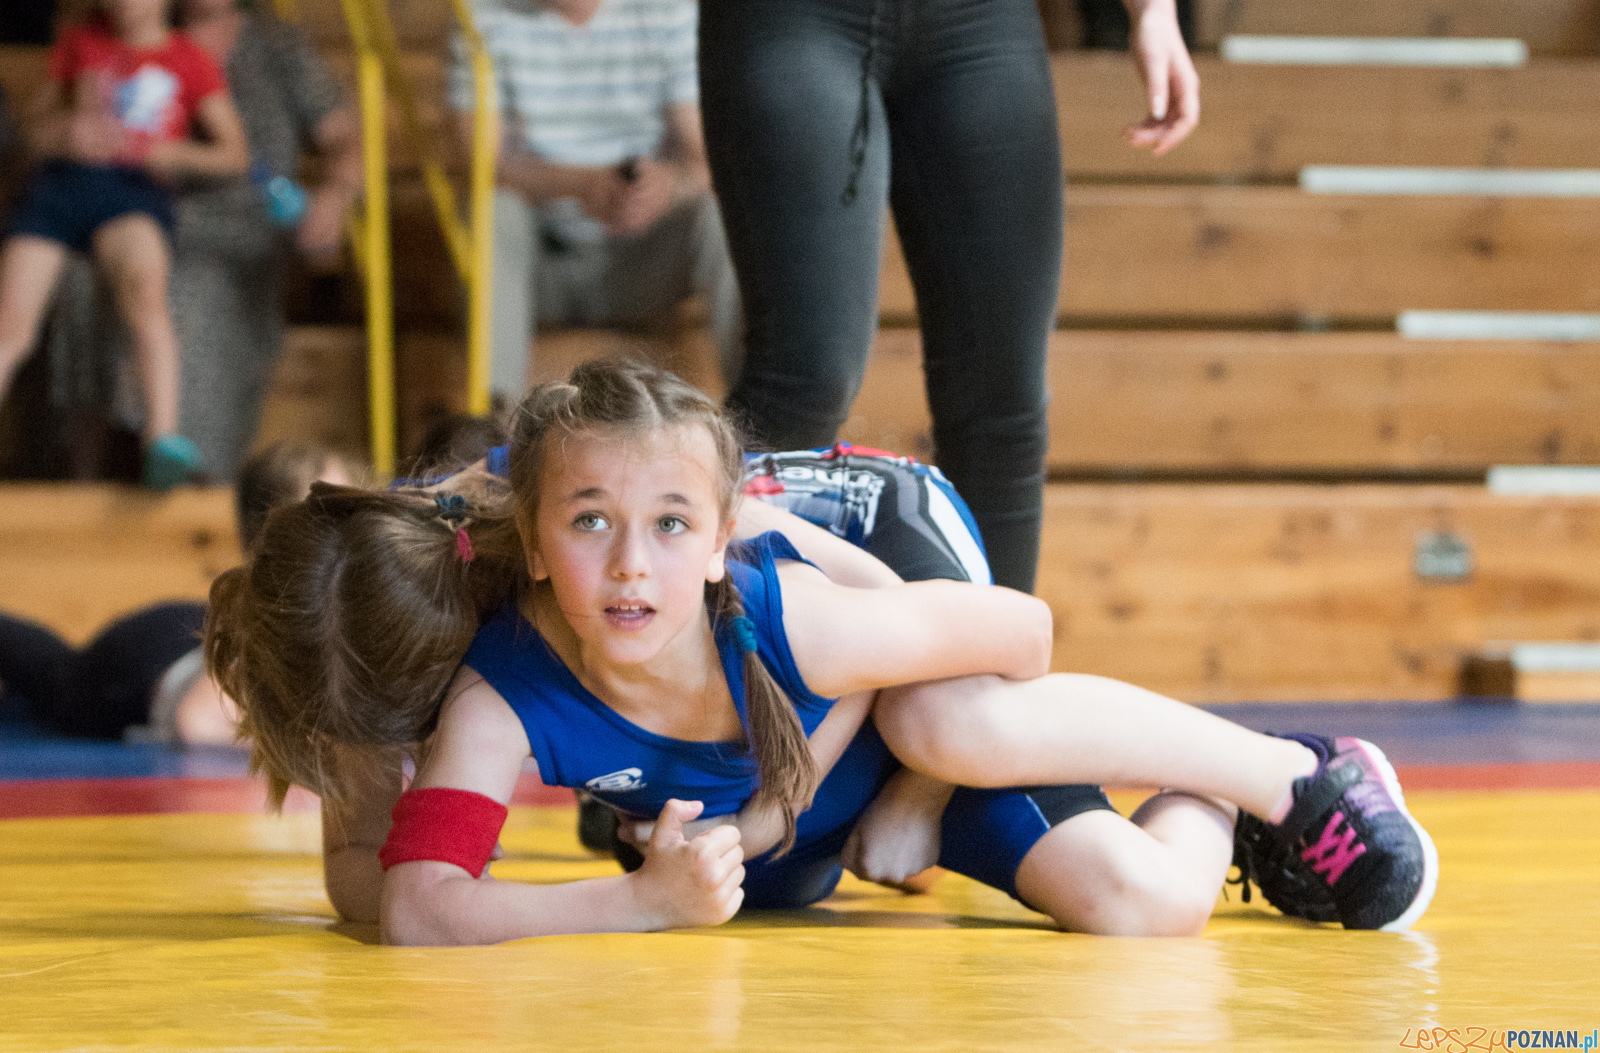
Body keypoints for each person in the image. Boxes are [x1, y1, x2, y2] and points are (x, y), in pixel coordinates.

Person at [206, 360, 1436, 943]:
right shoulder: (413, 629)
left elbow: (1012, 629)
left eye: (385, 748)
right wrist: (653, 886)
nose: (381, 771)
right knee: (770, 878)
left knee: (949, 724)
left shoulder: (673, 556)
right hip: (742, 696)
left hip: (862, 545)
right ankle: (1191, 799)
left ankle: (1284, 772)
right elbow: (388, 892)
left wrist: (894, 792)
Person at [699, 0, 1199, 595]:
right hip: (794, 18)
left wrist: (1153, 12)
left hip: (979, 20)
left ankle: (994, 653)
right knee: (807, 378)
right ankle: (736, 637)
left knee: (1001, 398)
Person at [43, 0, 363, 483]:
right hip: (140, 209)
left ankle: (193, 475)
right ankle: (82, 470)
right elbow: (50, 121)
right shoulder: (134, 29)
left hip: (242, 229)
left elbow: (344, 135)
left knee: (187, 283)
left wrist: (335, 198)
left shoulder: (276, 44)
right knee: (79, 274)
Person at [0, 0, 249, 490]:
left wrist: (155, 150)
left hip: (132, 192)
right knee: (11, 321)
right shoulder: (82, 42)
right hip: (60, 188)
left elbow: (234, 154)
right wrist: (63, 133)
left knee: (145, 291)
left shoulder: (188, 59)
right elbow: (34, 131)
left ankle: (162, 438)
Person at [447, 0, 743, 402]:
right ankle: (493, 414)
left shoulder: (668, 10)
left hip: (642, 264)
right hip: (537, 269)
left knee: (721, 212)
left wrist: (666, 186)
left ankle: (760, 416)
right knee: (493, 210)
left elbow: (705, 161)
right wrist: (580, 185)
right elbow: (481, 167)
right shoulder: (480, 14)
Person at [0, 440, 359, 746]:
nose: (345, 533)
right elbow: (196, 723)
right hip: (149, 654)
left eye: (351, 514)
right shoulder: (276, 624)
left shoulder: (339, 608)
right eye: (325, 519)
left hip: (190, 631)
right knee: (59, 680)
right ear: (268, 539)